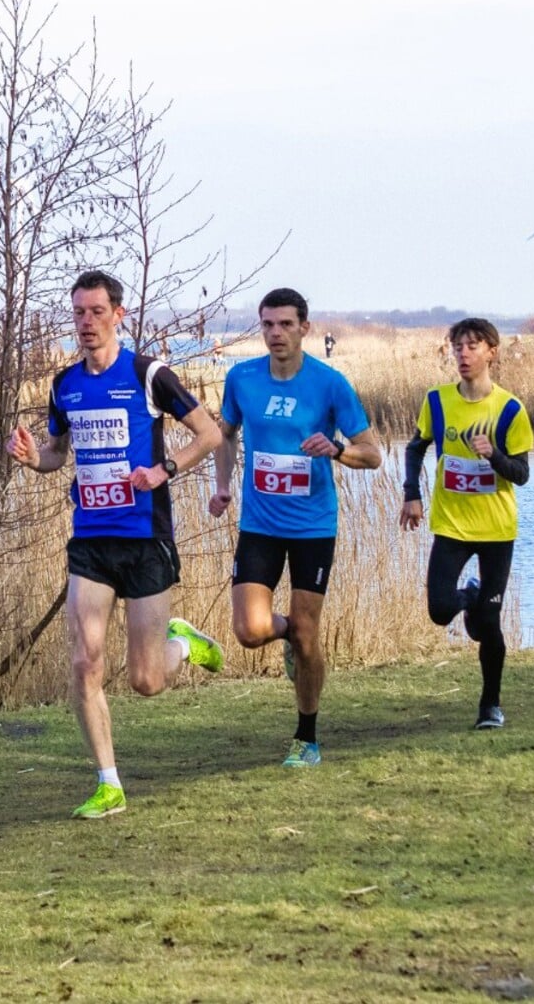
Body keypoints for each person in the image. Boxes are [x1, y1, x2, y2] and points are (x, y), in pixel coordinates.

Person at [5, 270, 226, 819]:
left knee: (146, 680)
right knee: (85, 661)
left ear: (118, 315)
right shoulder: (65, 385)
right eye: (78, 312)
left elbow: (209, 434)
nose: (86, 322)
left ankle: (182, 642)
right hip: (91, 541)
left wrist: (164, 469)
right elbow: (58, 453)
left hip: (145, 538)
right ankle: (109, 783)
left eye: (96, 311)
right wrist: (36, 459)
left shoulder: (149, 374)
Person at [208, 288, 382, 768]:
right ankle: (287, 636)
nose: (275, 334)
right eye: (267, 324)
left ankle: (306, 738)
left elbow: (373, 452)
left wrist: (338, 450)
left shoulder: (329, 384)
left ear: (305, 328)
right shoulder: (241, 379)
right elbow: (223, 434)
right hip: (259, 523)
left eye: (285, 324)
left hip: (313, 527)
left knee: (309, 633)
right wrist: (222, 486)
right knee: (250, 630)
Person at [399, 317, 534, 730]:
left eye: (473, 346)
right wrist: (412, 493)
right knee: (440, 610)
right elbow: (415, 446)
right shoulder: (437, 402)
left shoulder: (510, 409)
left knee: (489, 626)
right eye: (457, 346)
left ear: (492, 352)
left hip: (496, 530)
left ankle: (489, 706)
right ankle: (470, 596)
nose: (463, 353)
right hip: (452, 525)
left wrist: (493, 455)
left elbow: (521, 474)